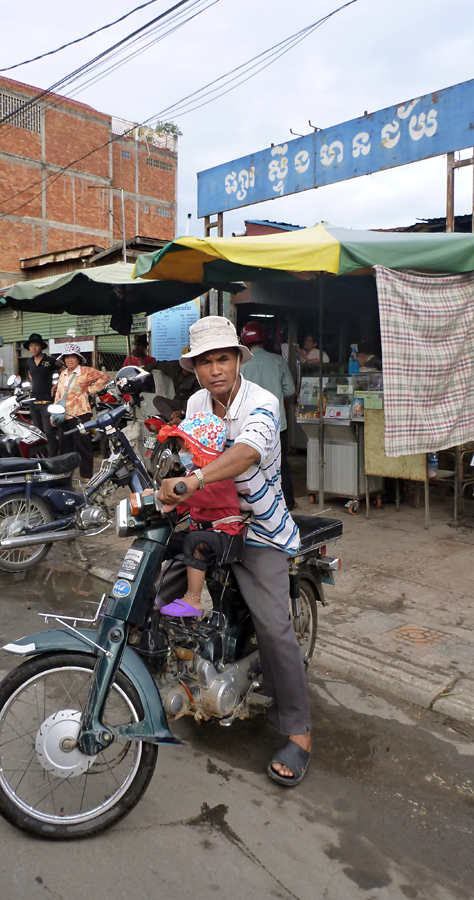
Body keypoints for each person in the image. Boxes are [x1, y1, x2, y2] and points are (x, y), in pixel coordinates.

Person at [157, 316, 311, 787]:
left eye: (222, 358)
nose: (214, 369)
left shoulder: (261, 402)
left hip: (259, 526)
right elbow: (188, 450)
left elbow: (246, 452)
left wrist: (196, 479)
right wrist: (168, 475)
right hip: (209, 519)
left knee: (274, 626)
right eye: (204, 361)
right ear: (195, 368)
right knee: (158, 590)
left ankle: (299, 733)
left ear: (238, 360)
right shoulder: (198, 401)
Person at [155, 411, 244, 617]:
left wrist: (163, 498)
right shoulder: (192, 474)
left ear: (199, 447)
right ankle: (153, 590)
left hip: (225, 535)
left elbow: (186, 497)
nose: (182, 450)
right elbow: (180, 506)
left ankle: (193, 600)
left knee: (195, 542)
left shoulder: (214, 476)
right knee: (163, 542)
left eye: (186, 445)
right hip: (202, 530)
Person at [240, 321, 297, 510]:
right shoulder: (278, 360)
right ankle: (288, 501)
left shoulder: (241, 363)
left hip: (249, 422)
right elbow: (290, 389)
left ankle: (258, 502)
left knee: (250, 462)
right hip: (277, 421)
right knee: (280, 461)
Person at [51, 343, 109, 480]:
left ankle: (87, 476)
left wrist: (91, 390)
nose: (69, 359)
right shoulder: (63, 374)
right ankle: (64, 476)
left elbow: (104, 377)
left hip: (80, 413)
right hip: (63, 414)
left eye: (72, 357)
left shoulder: (86, 371)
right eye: (67, 357)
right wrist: (53, 413)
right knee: (64, 447)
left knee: (83, 445)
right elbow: (58, 395)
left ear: (78, 358)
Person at [23, 333, 61, 457]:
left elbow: (65, 372)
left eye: (37, 345)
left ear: (42, 347)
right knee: (38, 433)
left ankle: (54, 457)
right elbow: (31, 375)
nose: (34, 348)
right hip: (34, 402)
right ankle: (42, 457)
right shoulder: (29, 362)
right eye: (31, 345)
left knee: (49, 432)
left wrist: (56, 386)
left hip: (47, 402)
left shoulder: (50, 361)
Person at [143, 358, 198, 422]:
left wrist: (182, 412)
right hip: (177, 401)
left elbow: (197, 398)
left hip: (190, 405)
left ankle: (178, 421)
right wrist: (142, 372)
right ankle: (174, 420)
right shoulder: (174, 366)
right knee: (157, 400)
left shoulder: (197, 375)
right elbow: (157, 364)